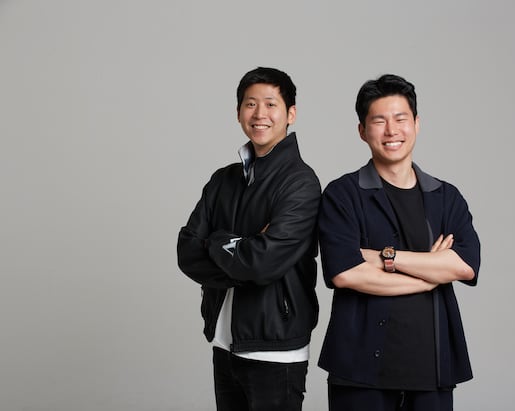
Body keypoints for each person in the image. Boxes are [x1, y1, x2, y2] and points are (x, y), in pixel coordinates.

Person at [317, 74, 481, 411]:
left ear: (417, 124)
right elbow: (346, 273)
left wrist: (385, 258)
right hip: (358, 372)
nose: (391, 131)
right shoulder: (342, 194)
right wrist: (428, 278)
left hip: (432, 370)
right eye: (379, 121)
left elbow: (464, 265)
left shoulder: (446, 197)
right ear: (362, 131)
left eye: (400, 119)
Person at [177, 67, 321, 411]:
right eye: (250, 104)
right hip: (224, 343)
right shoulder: (223, 180)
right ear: (239, 111)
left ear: (291, 114)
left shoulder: (301, 183)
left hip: (276, 350)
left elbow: (262, 263)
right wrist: (242, 251)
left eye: (270, 104)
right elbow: (186, 252)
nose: (259, 114)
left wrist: (216, 242)